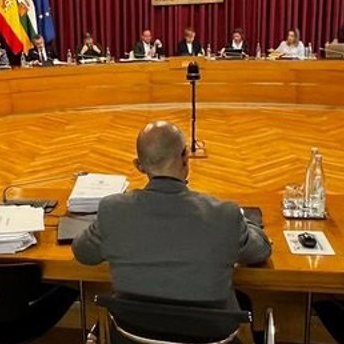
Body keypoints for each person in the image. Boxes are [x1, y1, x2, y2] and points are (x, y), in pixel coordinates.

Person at [72, 121, 271, 310]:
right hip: (206, 333)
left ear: (139, 166)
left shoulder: (112, 211)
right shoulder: (224, 215)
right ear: (185, 157)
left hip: (134, 333)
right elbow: (261, 250)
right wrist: (241, 216)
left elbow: (83, 253)